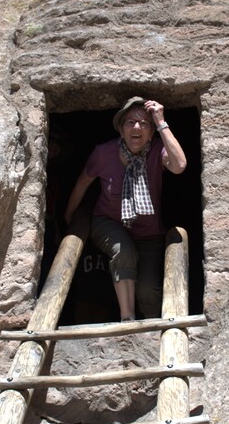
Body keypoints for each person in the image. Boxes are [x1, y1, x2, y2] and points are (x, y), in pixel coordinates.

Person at [64, 96, 187, 321]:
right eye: (130, 122)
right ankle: (127, 320)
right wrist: (69, 217)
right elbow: (82, 183)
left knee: (148, 290)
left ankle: (151, 328)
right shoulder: (104, 153)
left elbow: (179, 165)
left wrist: (161, 122)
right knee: (125, 250)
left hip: (149, 233)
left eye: (144, 123)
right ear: (121, 130)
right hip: (107, 222)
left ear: (151, 132)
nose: (137, 127)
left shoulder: (157, 150)